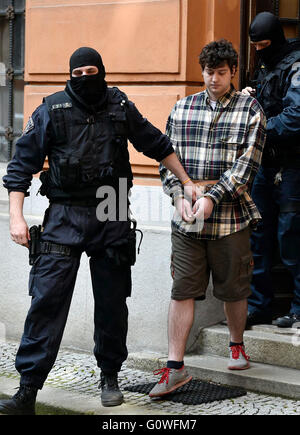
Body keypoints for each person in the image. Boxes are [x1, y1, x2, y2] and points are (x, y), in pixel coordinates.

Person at [0, 47, 196, 415]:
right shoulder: (52, 110)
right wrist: (16, 216)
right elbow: (21, 166)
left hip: (113, 200)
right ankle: (28, 389)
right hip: (66, 210)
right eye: (79, 73)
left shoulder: (119, 104)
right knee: (47, 300)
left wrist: (185, 181)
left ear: (102, 71)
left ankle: (110, 376)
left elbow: (156, 143)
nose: (86, 78)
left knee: (112, 300)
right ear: (70, 75)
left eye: (93, 71)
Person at [149, 39, 266, 398]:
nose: (213, 79)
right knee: (182, 288)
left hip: (230, 217)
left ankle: (236, 345)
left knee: (234, 288)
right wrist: (177, 193)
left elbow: (247, 166)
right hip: (187, 221)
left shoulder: (250, 110)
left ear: (233, 72)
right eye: (208, 72)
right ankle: (174, 366)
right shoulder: (181, 109)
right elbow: (166, 159)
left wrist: (213, 197)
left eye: (220, 72)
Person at [242, 12, 300, 328]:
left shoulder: (296, 65)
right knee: (258, 237)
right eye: (255, 45)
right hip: (265, 165)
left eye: (264, 44)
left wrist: (259, 126)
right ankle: (259, 306)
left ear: (275, 39)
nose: (260, 50)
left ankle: (298, 308)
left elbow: (296, 116)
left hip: (292, 166)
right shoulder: (267, 66)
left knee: (291, 237)